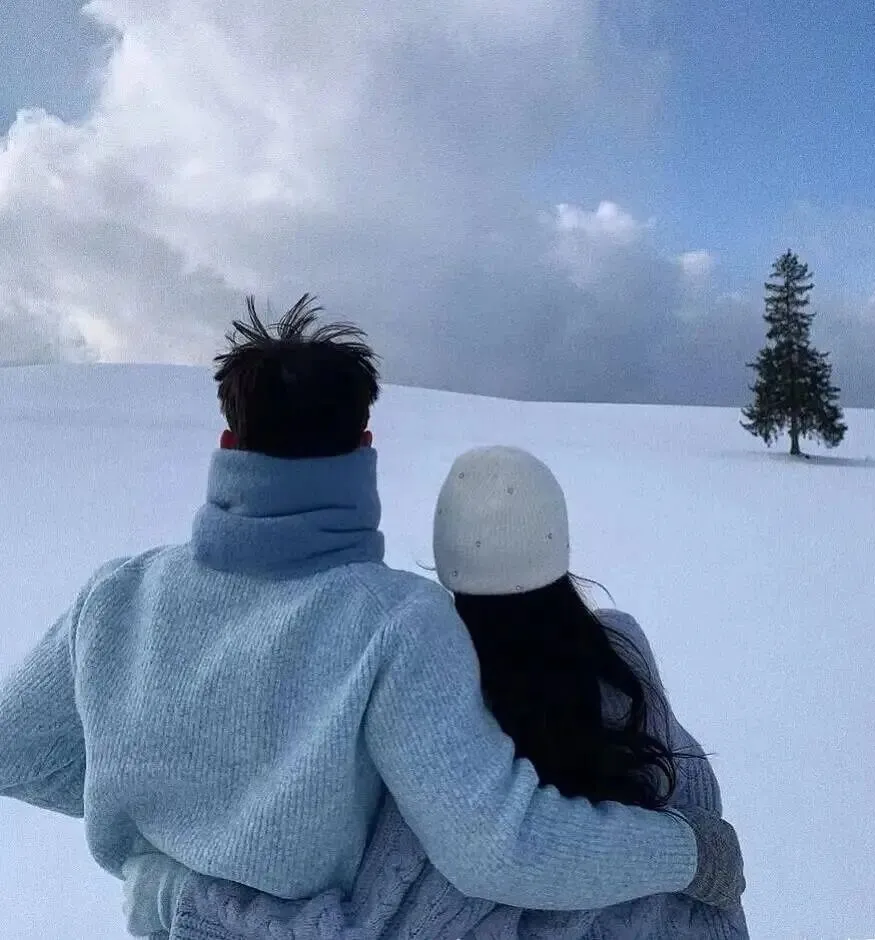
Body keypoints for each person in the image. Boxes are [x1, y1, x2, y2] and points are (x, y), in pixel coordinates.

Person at [0, 296, 744, 937]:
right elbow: (498, 848)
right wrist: (687, 853)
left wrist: (156, 820)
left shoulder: (117, 593)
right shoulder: (397, 623)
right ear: (364, 448)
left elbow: (16, 751)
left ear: (229, 444)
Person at [122, 446, 749, 938]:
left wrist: (166, 890)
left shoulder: (423, 702)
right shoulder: (627, 671)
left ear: (446, 557)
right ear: (558, 544)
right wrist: (690, 856)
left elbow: (360, 922)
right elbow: (712, 896)